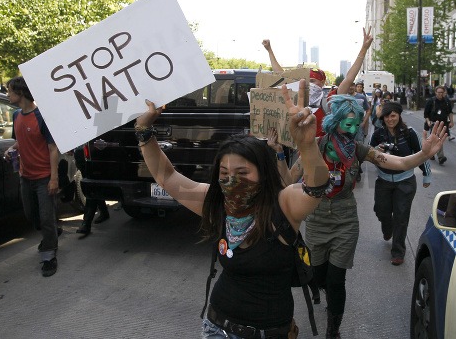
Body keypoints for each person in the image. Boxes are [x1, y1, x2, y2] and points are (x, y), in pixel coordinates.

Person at [136, 80, 330, 339]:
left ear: (263, 174)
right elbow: (167, 178)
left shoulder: (283, 205)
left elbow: (316, 186)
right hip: (217, 328)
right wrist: (143, 130)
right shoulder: (217, 203)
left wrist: (307, 146)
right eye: (224, 173)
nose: (231, 181)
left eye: (242, 173)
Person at [268, 94, 447, 338]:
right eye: (347, 123)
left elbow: (398, 162)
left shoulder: (359, 149)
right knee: (318, 276)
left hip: (345, 221)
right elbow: (289, 180)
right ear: (334, 122)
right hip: (317, 219)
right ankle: (324, 290)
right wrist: (279, 153)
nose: (353, 130)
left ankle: (334, 327)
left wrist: (424, 155)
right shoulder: (315, 144)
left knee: (336, 279)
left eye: (356, 124)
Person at [4, 76, 60, 277]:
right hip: (25, 176)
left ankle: (49, 256)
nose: (7, 94)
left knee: (46, 218)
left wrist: (54, 178)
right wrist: (12, 148)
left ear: (20, 93)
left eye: (9, 91)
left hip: (44, 177)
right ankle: (52, 231)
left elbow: (53, 148)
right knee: (31, 215)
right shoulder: (16, 115)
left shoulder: (41, 117)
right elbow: (21, 139)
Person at [369, 101, 431, 266]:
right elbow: (368, 153)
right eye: (387, 116)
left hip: (405, 182)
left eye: (393, 116)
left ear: (399, 115)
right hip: (383, 181)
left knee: (401, 217)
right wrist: (376, 151)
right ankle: (386, 228)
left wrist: (426, 175)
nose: (390, 119)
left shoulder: (409, 133)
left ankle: (398, 252)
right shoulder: (378, 134)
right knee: (381, 211)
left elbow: (422, 154)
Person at [73, 147, 110, 236]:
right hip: (80, 153)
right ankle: (104, 211)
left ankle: (86, 222)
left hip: (90, 152)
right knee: (92, 185)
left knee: (91, 187)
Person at [424, 86, 454, 165]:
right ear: (435, 92)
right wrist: (428, 121)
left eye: (442, 92)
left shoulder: (447, 101)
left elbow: (450, 112)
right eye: (439, 92)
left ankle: (431, 153)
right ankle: (441, 157)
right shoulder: (431, 101)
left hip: (443, 123)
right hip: (434, 123)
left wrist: (451, 122)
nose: (440, 94)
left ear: (444, 92)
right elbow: (426, 114)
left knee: (436, 139)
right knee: (438, 139)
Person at [348, 81, 370, 182]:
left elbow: (368, 109)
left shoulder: (361, 97)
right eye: (348, 86)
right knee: (347, 148)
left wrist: (364, 122)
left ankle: (357, 169)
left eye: (352, 85)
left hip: (358, 127)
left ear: (354, 87)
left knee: (358, 148)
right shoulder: (342, 97)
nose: (350, 87)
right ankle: (352, 170)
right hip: (346, 127)